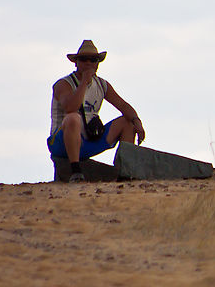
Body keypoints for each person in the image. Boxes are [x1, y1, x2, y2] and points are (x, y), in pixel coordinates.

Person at [48, 40, 145, 182]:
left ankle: (125, 172)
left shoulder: (101, 84)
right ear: (76, 63)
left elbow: (123, 105)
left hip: (88, 138)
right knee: (73, 118)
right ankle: (75, 171)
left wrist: (137, 122)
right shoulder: (64, 84)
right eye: (83, 59)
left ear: (98, 63)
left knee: (127, 122)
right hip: (62, 142)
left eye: (93, 60)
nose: (88, 63)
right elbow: (70, 108)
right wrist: (83, 83)